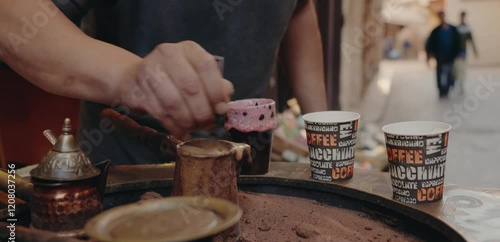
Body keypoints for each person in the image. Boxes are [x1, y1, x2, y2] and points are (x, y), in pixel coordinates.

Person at [0, 0, 327, 164]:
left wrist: (322, 132)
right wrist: (129, 76)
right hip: (128, 172)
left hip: (248, 165)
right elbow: (11, 15)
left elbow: (300, 10)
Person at [425, 11, 461, 98]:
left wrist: (459, 53)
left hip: (450, 55)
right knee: (439, 73)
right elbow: (430, 44)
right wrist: (429, 55)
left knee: (449, 73)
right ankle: (441, 89)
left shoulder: (453, 29)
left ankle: (447, 88)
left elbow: (458, 42)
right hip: (440, 55)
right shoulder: (435, 31)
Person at [454, 11, 479, 94]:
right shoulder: (456, 28)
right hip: (455, 52)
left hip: (463, 51)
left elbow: (471, 41)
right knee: (456, 69)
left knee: (462, 68)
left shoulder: (467, 28)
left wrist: (475, 51)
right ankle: (456, 82)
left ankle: (461, 84)